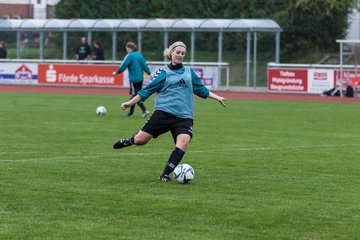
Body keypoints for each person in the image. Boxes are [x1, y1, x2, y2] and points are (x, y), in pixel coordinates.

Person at [112, 41, 227, 182]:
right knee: (140, 140)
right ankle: (129, 140)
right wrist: (130, 102)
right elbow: (147, 90)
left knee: (184, 142)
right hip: (163, 114)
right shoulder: (163, 72)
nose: (180, 55)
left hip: (184, 117)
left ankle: (165, 175)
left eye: (183, 53)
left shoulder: (189, 72)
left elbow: (201, 90)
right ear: (171, 53)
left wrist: (217, 98)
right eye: (178, 52)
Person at [113, 42, 151, 118]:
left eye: (127, 49)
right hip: (140, 78)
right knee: (135, 95)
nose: (127, 50)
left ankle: (144, 110)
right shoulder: (139, 55)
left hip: (134, 79)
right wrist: (149, 73)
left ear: (129, 48)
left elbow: (123, 65)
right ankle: (131, 113)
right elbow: (144, 65)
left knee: (134, 96)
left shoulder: (130, 56)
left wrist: (117, 72)